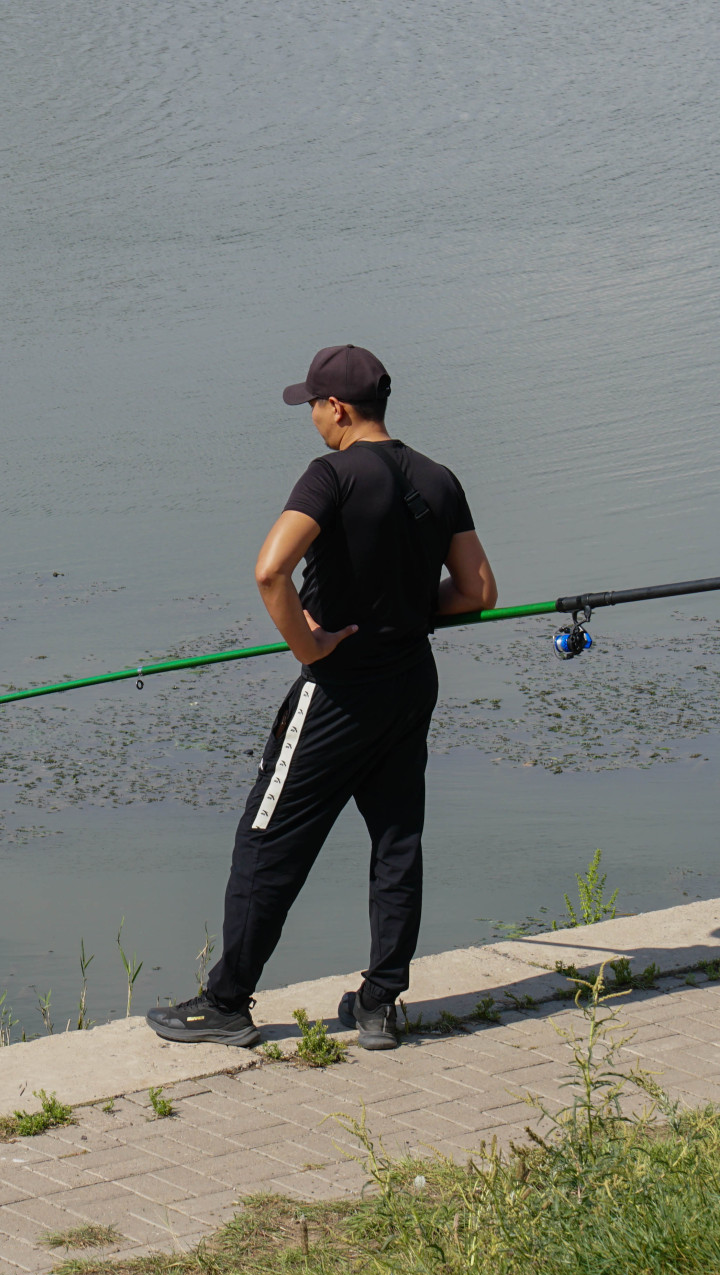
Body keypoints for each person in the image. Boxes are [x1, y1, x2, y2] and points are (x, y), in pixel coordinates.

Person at [146, 344, 496, 1050]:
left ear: (337, 407)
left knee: (265, 839)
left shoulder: (330, 475)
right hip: (410, 683)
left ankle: (227, 1001)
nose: (310, 417)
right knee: (397, 839)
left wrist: (310, 647)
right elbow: (477, 591)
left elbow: (270, 570)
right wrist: (401, 609)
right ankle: (378, 1003)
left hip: (340, 690)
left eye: (311, 405)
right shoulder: (438, 476)